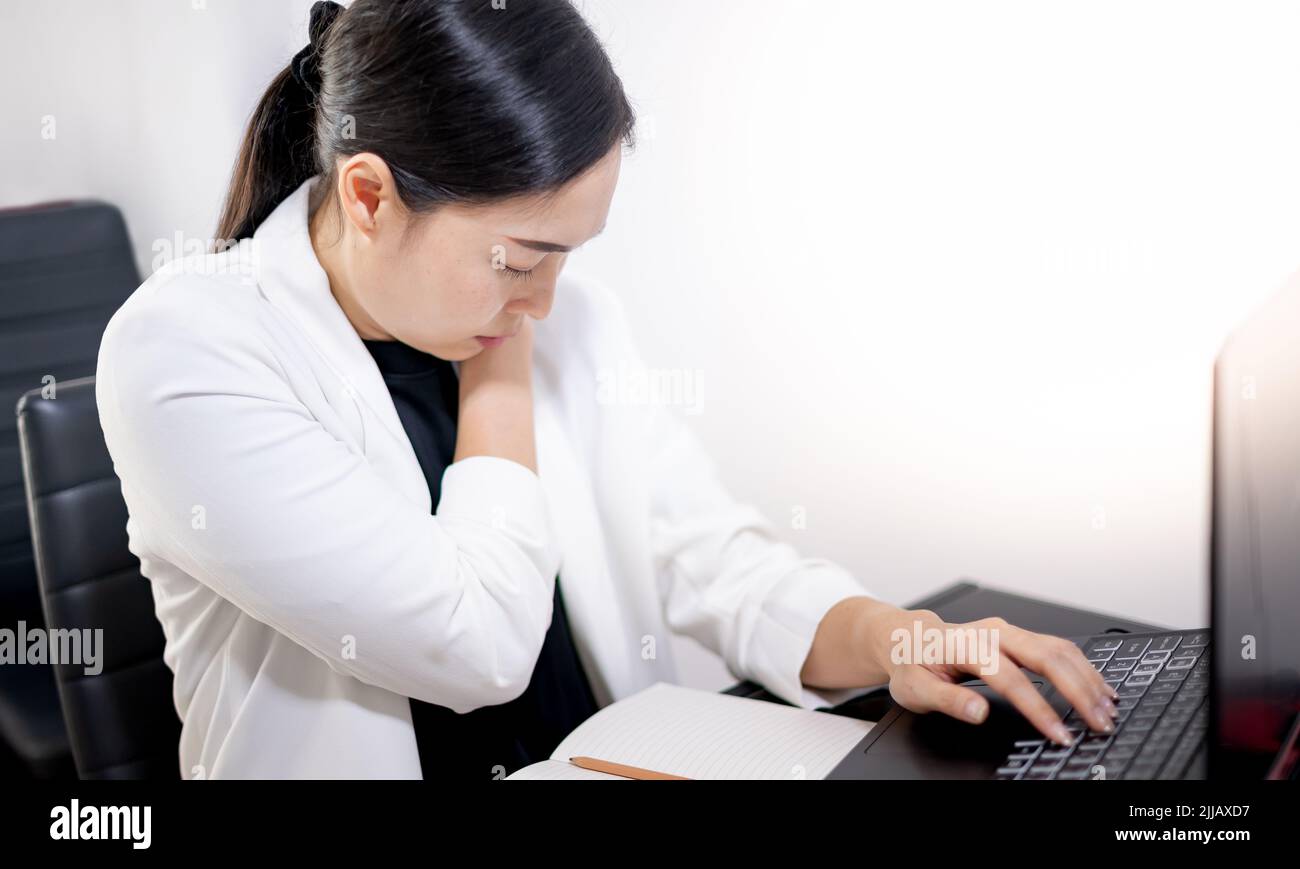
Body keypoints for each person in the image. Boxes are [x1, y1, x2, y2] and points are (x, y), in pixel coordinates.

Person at [95, 0, 1118, 779]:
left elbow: (710, 557)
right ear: (368, 195)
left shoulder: (561, 315)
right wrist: (497, 368)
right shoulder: (190, 348)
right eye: (520, 256)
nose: (548, 295)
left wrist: (903, 636)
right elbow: (479, 639)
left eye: (568, 255)